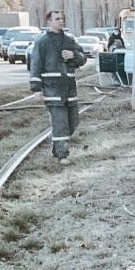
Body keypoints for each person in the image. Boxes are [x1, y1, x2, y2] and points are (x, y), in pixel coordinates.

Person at [28, 10, 88, 164]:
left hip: (69, 90)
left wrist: (74, 56)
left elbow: (83, 58)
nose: (61, 21)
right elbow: (35, 65)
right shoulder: (42, 42)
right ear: (49, 22)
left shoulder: (69, 40)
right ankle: (63, 155)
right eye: (57, 19)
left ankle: (57, 147)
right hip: (52, 90)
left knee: (73, 123)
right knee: (60, 123)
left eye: (62, 18)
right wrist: (36, 89)